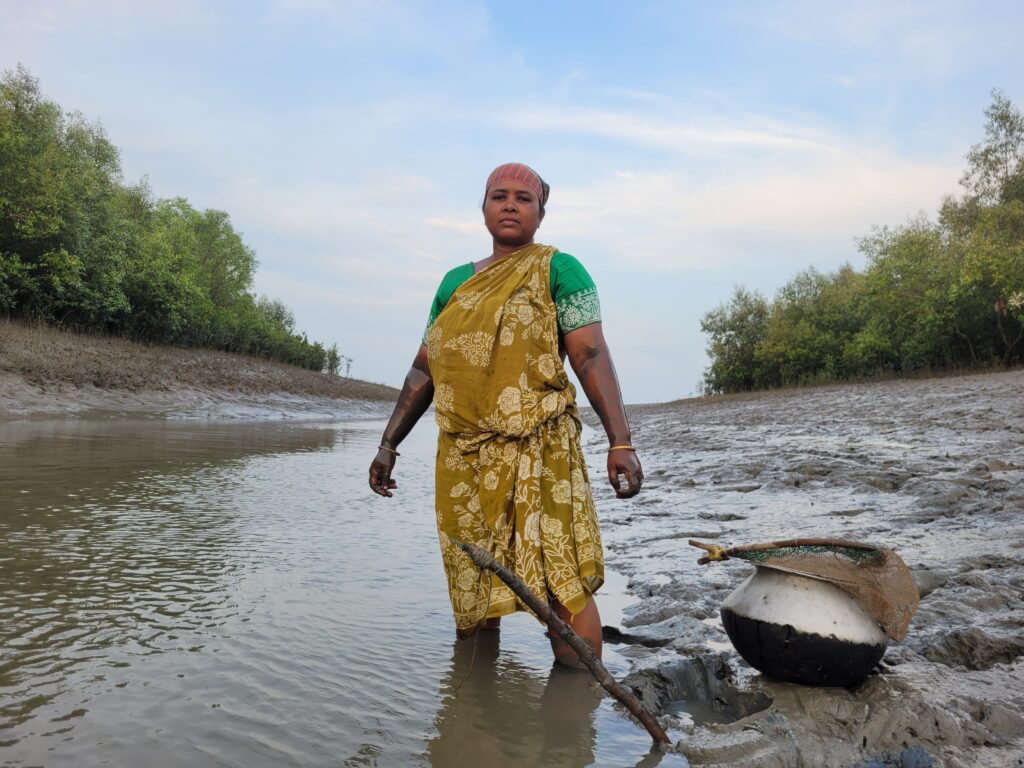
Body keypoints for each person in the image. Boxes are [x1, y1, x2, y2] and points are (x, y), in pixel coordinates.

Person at [368, 162, 642, 668]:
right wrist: (389, 444)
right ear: (484, 209)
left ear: (541, 213)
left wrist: (619, 442)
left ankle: (575, 706)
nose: (510, 204)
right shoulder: (454, 282)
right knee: (471, 579)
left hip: (539, 449)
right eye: (499, 196)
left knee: (561, 573)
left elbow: (590, 355)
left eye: (523, 197)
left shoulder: (561, 269)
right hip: (462, 456)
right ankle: (474, 711)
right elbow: (424, 369)